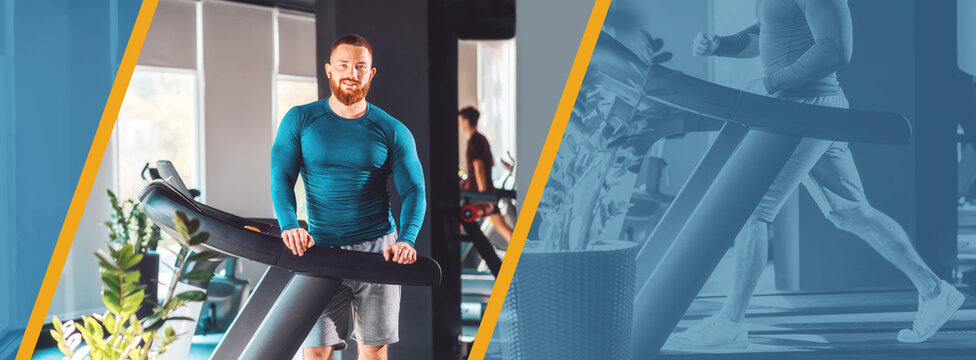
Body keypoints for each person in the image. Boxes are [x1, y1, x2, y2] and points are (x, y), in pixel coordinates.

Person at [673, 0, 965, 348]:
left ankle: (731, 323)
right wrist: (721, 44)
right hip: (801, 109)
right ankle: (935, 292)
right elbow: (766, 31)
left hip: (807, 108)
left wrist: (769, 83)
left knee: (752, 210)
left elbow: (836, 49)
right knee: (851, 212)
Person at [270, 34, 426, 360]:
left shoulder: (392, 129)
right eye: (343, 65)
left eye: (360, 66)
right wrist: (289, 224)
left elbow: (414, 191)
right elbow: (281, 178)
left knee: (373, 352)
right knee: (315, 352)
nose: (351, 73)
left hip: (378, 252)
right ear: (329, 70)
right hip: (320, 251)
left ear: (371, 74)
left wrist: (407, 239)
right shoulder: (300, 120)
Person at [459, 106, 512, 242]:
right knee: (501, 227)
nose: (459, 124)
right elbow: (492, 162)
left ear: (466, 121)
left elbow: (479, 166)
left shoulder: (474, 140)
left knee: (457, 218)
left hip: (476, 191)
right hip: (486, 188)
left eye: (460, 120)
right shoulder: (482, 138)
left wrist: (482, 194)